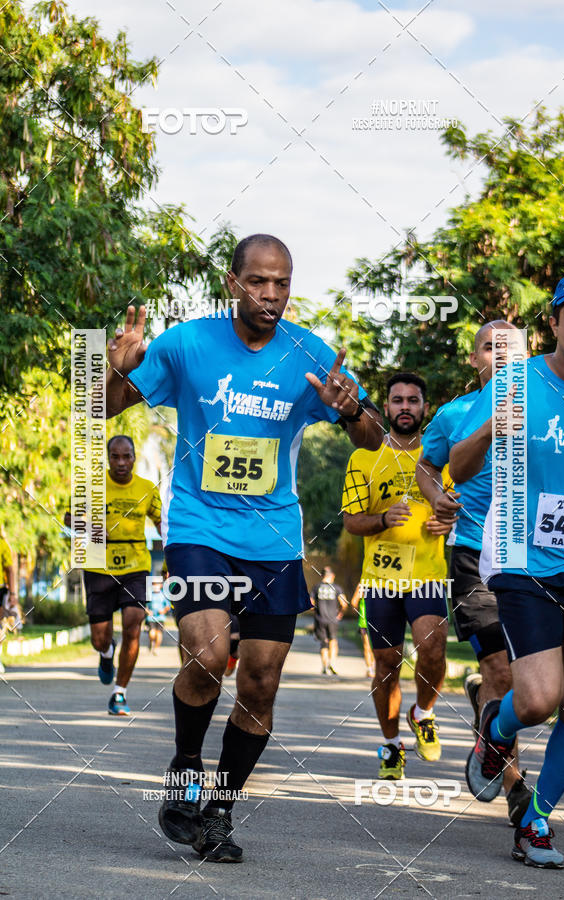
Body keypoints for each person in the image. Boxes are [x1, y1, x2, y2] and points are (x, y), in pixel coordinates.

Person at [104, 234, 382, 863]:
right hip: (200, 527)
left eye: (282, 283)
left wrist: (349, 411)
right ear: (233, 282)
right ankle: (183, 770)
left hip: (274, 537)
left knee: (260, 682)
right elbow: (109, 407)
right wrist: (115, 369)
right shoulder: (186, 345)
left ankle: (219, 810)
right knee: (207, 654)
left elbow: (368, 436)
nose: (272, 295)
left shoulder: (311, 353)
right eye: (259, 282)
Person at [449, 271, 564, 869]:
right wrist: (494, 426)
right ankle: (497, 724)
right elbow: (458, 468)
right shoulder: (517, 381)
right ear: (556, 324)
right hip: (523, 557)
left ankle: (534, 820)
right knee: (538, 700)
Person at [415, 320, 531, 826]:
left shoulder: (551, 403)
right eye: (490, 347)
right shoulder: (454, 413)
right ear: (474, 359)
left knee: (535, 681)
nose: (501, 356)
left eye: (511, 348)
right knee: (503, 671)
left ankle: (487, 708)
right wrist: (437, 494)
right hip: (471, 552)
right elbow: (426, 466)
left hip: (537, 556)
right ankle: (518, 792)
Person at [342, 372, 452, 779]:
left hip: (427, 573)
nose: (405, 406)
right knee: (387, 664)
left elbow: (454, 505)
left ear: (425, 407)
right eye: (397, 400)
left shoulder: (439, 452)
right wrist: (384, 518)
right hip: (382, 578)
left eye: (413, 400)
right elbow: (352, 522)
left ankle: (423, 713)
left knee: (434, 647)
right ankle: (391, 745)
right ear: (385, 407)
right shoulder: (363, 456)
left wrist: (447, 524)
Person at [65, 435, 162, 715]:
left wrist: (174, 553)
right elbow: (68, 518)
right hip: (98, 566)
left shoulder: (146, 488)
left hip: (135, 566)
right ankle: (106, 654)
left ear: (134, 457)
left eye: (126, 456)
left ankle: (119, 693)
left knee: (133, 624)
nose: (121, 462)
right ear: (108, 459)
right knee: (100, 638)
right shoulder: (91, 486)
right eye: (115, 457)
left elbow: (161, 521)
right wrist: (90, 527)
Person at [310, 566, 347, 675]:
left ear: (322, 575)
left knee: (323, 643)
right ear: (332, 576)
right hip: (333, 620)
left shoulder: (316, 588)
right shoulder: (337, 588)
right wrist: (340, 613)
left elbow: (310, 604)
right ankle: (332, 663)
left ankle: (325, 666)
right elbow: (344, 603)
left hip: (320, 619)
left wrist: (316, 610)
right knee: (333, 641)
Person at [350, 582, 375, 678]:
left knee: (367, 646)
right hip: (379, 619)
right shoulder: (382, 583)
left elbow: (353, 602)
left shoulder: (362, 584)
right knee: (377, 646)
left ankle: (370, 669)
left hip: (364, 620)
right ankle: (375, 668)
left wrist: (359, 610)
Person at [146, 575, 171, 654]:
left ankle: (156, 648)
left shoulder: (163, 595)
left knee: (159, 633)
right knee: (152, 633)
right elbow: (144, 606)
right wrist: (147, 611)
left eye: (157, 584)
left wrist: (163, 611)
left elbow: (167, 606)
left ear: (161, 585)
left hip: (160, 618)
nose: (155, 585)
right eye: (153, 584)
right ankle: (151, 643)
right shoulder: (149, 594)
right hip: (151, 618)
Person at [0, 534, 18, 612]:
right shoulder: (2, 544)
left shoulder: (2, 544)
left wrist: (12, 594)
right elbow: (9, 571)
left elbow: (10, 571)